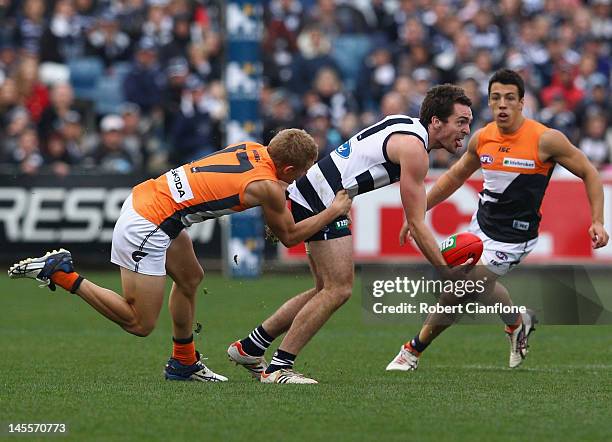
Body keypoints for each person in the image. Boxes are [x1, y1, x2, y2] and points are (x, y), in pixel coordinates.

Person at [8, 129, 352, 383]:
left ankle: (183, 362)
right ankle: (63, 274)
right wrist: (333, 210)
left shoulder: (251, 149)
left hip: (151, 199)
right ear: (290, 169)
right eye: (302, 172)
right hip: (149, 225)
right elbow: (288, 235)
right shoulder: (268, 187)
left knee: (190, 278)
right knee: (139, 322)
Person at [228, 84, 473, 384]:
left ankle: (251, 347)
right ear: (436, 121)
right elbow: (417, 223)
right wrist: (448, 274)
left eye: (469, 122)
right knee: (339, 288)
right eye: (461, 122)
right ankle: (278, 367)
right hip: (325, 198)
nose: (466, 130)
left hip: (316, 191)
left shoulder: (407, 127)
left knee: (325, 289)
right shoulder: (415, 149)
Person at [386, 69, 609, 372]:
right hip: (481, 228)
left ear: (521, 103)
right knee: (477, 286)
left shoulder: (546, 140)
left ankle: (411, 351)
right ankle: (517, 322)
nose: (502, 104)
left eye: (509, 98)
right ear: (489, 103)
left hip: (515, 237)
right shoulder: (483, 138)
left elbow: (589, 172)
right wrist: (419, 210)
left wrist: (597, 220)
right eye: (495, 98)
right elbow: (453, 177)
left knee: (459, 290)